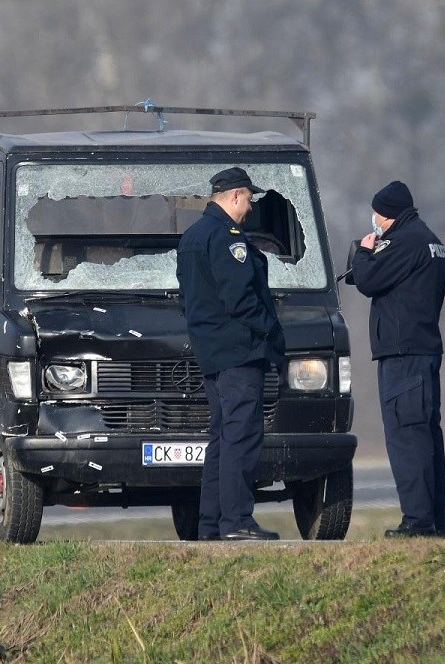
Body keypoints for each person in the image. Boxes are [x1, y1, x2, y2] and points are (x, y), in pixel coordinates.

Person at [176, 167, 286, 541]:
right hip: (238, 352)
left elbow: (188, 299)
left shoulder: (192, 236)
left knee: (222, 438)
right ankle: (237, 521)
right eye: (249, 199)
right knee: (241, 436)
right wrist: (269, 329)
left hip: (210, 353)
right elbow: (239, 297)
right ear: (236, 195)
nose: (251, 208)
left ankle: (211, 524)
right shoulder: (227, 237)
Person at [350, 181, 445, 538]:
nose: (373, 220)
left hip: (403, 357)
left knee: (406, 438)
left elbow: (367, 279)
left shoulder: (404, 241)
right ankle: (432, 521)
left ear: (387, 214)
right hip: (424, 351)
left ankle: (418, 522)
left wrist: (364, 251)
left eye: (376, 213)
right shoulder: (432, 241)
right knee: (426, 438)